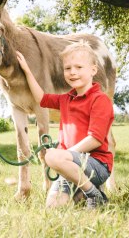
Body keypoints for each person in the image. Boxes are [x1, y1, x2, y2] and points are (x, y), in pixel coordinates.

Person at [16, 40, 114, 209]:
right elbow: (42, 98)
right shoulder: (66, 99)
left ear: (93, 70)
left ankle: (94, 194)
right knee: (53, 206)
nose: (72, 72)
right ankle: (83, 191)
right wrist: (26, 70)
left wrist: (63, 155)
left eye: (78, 67)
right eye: (68, 68)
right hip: (70, 165)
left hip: (96, 165)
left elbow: (95, 139)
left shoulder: (100, 99)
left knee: (51, 155)